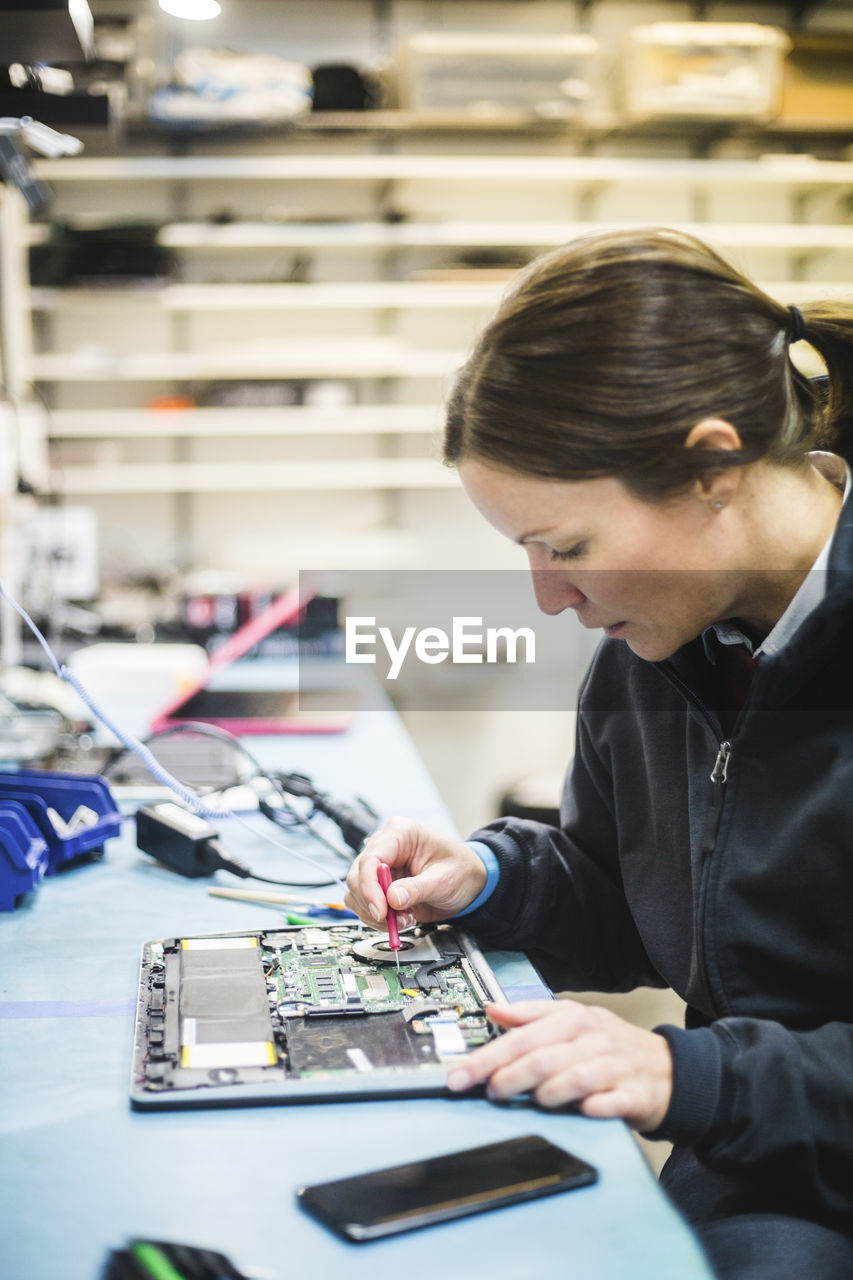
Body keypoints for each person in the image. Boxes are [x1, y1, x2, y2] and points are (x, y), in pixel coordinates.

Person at [345, 227, 853, 1276]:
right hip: (766, 1148)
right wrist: (489, 876)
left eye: (567, 547)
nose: (549, 597)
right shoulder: (660, 640)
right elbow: (644, 899)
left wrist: (690, 1076)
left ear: (712, 464)